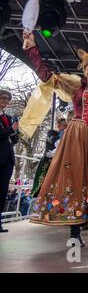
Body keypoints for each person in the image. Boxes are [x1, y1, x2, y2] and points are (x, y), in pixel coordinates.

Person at [23, 31, 88, 247]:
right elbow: (47, 76)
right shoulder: (75, 86)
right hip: (76, 134)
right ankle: (74, 231)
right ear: (85, 69)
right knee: (74, 179)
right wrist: (32, 48)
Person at [31, 117, 68, 197]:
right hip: (48, 160)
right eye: (63, 125)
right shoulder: (52, 132)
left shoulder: (67, 136)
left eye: (66, 126)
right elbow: (53, 140)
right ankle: (38, 197)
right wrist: (62, 135)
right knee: (42, 180)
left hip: (58, 161)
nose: (65, 127)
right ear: (58, 125)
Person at [0, 89, 19, 233]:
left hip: (8, 158)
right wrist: (9, 129)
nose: (5, 102)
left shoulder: (8, 117)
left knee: (3, 190)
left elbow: (15, 139)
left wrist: (14, 131)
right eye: (2, 98)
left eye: (7, 99)